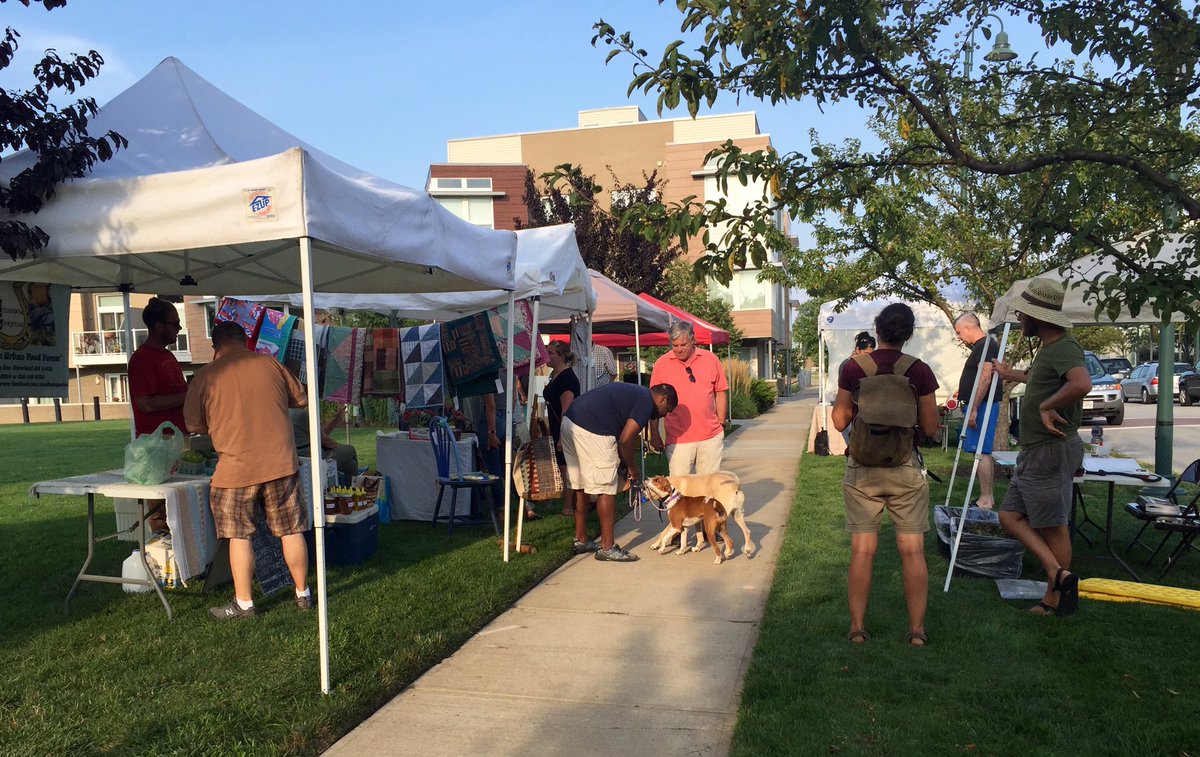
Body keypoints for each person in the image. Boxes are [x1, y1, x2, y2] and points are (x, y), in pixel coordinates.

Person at [183, 321, 313, 620]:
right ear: (245, 340)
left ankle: (244, 603)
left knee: (239, 535)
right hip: (281, 463)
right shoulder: (270, 363)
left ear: (215, 346)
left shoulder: (205, 376)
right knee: (291, 530)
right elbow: (301, 399)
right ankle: (303, 594)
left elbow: (193, 426)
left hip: (235, 469)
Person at [832, 303, 939, 647]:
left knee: (863, 550)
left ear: (877, 330)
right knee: (912, 550)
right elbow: (932, 428)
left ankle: (857, 629)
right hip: (904, 467)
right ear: (908, 334)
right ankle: (917, 631)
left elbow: (838, 421)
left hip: (863, 468)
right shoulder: (919, 371)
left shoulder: (854, 367)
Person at [992, 277, 1090, 617]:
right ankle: (1058, 573)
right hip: (1035, 449)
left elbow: (1082, 383)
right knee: (1009, 515)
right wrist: (1010, 373)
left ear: (1038, 318)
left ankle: (1054, 599)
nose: (1020, 320)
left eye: (1024, 315)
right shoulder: (1050, 350)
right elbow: (1039, 378)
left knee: (1052, 524)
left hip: (1051, 448)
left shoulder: (1065, 347)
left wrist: (1047, 407)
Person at [561, 381, 678, 562]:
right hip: (593, 430)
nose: (665, 414)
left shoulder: (636, 392)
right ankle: (607, 547)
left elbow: (621, 434)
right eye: (668, 410)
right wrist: (631, 467)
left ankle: (581, 539)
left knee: (580, 485)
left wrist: (623, 462)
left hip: (570, 421)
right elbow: (625, 439)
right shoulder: (646, 402)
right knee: (606, 488)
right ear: (663, 399)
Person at [128, 297, 189, 533]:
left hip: (177, 438)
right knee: (161, 510)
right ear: (158, 325)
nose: (178, 329)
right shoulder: (142, 359)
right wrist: (186, 396)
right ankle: (160, 557)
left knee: (180, 507)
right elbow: (145, 403)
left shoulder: (168, 355)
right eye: (174, 324)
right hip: (156, 445)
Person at [649, 321, 729, 476]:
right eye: (675, 345)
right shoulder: (661, 364)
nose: (679, 349)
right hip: (678, 439)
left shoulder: (711, 359)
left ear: (693, 339)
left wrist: (721, 423)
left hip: (710, 437)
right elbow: (653, 404)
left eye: (683, 344)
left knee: (708, 488)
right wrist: (655, 433)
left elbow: (720, 392)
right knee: (679, 489)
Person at [953, 313, 1002, 509]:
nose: (958, 336)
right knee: (979, 450)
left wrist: (973, 408)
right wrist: (963, 389)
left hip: (983, 406)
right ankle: (985, 497)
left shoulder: (986, 345)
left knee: (981, 450)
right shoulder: (981, 346)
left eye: (958, 332)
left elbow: (985, 377)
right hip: (978, 404)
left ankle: (986, 498)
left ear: (968, 327)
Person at [543, 341, 581, 517]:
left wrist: (561, 437)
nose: (546, 356)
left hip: (565, 427)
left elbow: (567, 408)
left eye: (550, 353)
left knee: (567, 467)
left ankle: (569, 507)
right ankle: (570, 504)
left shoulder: (567, 378)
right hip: (557, 425)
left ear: (561, 356)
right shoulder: (556, 374)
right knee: (563, 466)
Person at [290, 404, 359, 486]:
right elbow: (325, 441)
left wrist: (335, 421)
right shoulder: (301, 415)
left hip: (299, 458)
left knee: (351, 465)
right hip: (316, 458)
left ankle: (347, 491)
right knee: (351, 450)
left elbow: (320, 435)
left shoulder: (286, 413)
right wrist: (336, 445)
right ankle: (352, 490)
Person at [839, 332, 876, 449]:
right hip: (852, 411)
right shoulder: (847, 365)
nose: (868, 357)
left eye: (871, 354)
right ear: (857, 350)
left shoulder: (869, 365)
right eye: (865, 353)